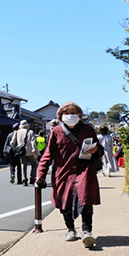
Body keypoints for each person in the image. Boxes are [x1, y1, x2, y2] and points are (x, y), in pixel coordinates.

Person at [36, 102, 102, 247]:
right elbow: (48, 154)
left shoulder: (88, 129)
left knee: (85, 199)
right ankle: (70, 229)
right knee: (64, 201)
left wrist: (95, 150)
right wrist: (40, 174)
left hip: (84, 169)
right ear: (60, 116)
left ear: (80, 115)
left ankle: (86, 231)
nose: (70, 117)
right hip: (63, 172)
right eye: (67, 114)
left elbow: (99, 149)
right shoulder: (56, 131)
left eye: (74, 114)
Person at [11, 120, 40, 186]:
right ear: (27, 125)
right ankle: (32, 179)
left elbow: (12, 142)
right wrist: (35, 152)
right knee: (34, 164)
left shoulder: (17, 132)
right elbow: (33, 142)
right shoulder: (30, 132)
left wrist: (15, 149)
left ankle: (24, 180)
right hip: (30, 152)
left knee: (23, 165)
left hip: (21, 151)